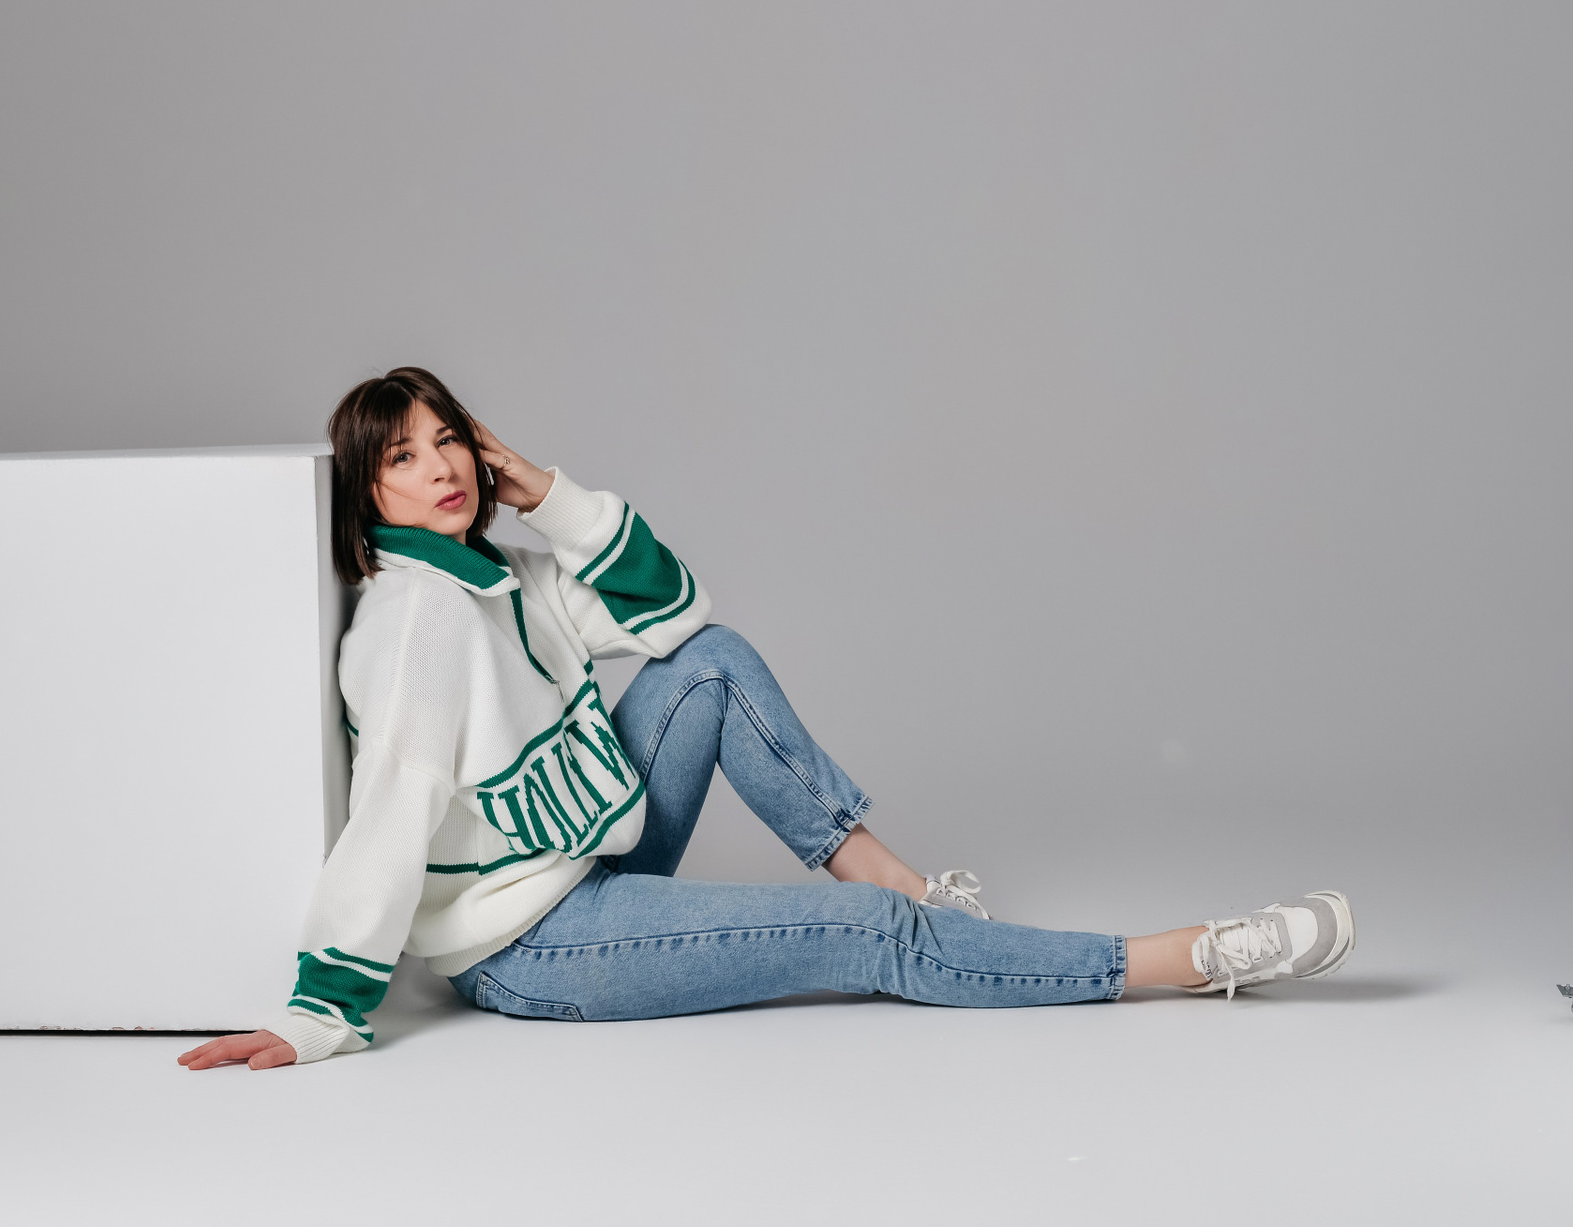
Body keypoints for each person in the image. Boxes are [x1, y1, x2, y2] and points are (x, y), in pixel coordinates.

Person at [178, 368, 1356, 1072]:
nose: (440, 466)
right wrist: (320, 1013)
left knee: (713, 663)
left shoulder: (505, 580)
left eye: (450, 439)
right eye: (403, 457)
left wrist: (551, 495)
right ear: (366, 492)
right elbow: (389, 812)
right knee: (860, 941)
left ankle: (902, 882)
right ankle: (1181, 959)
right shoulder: (418, 621)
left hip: (588, 860)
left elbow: (678, 610)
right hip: (527, 946)